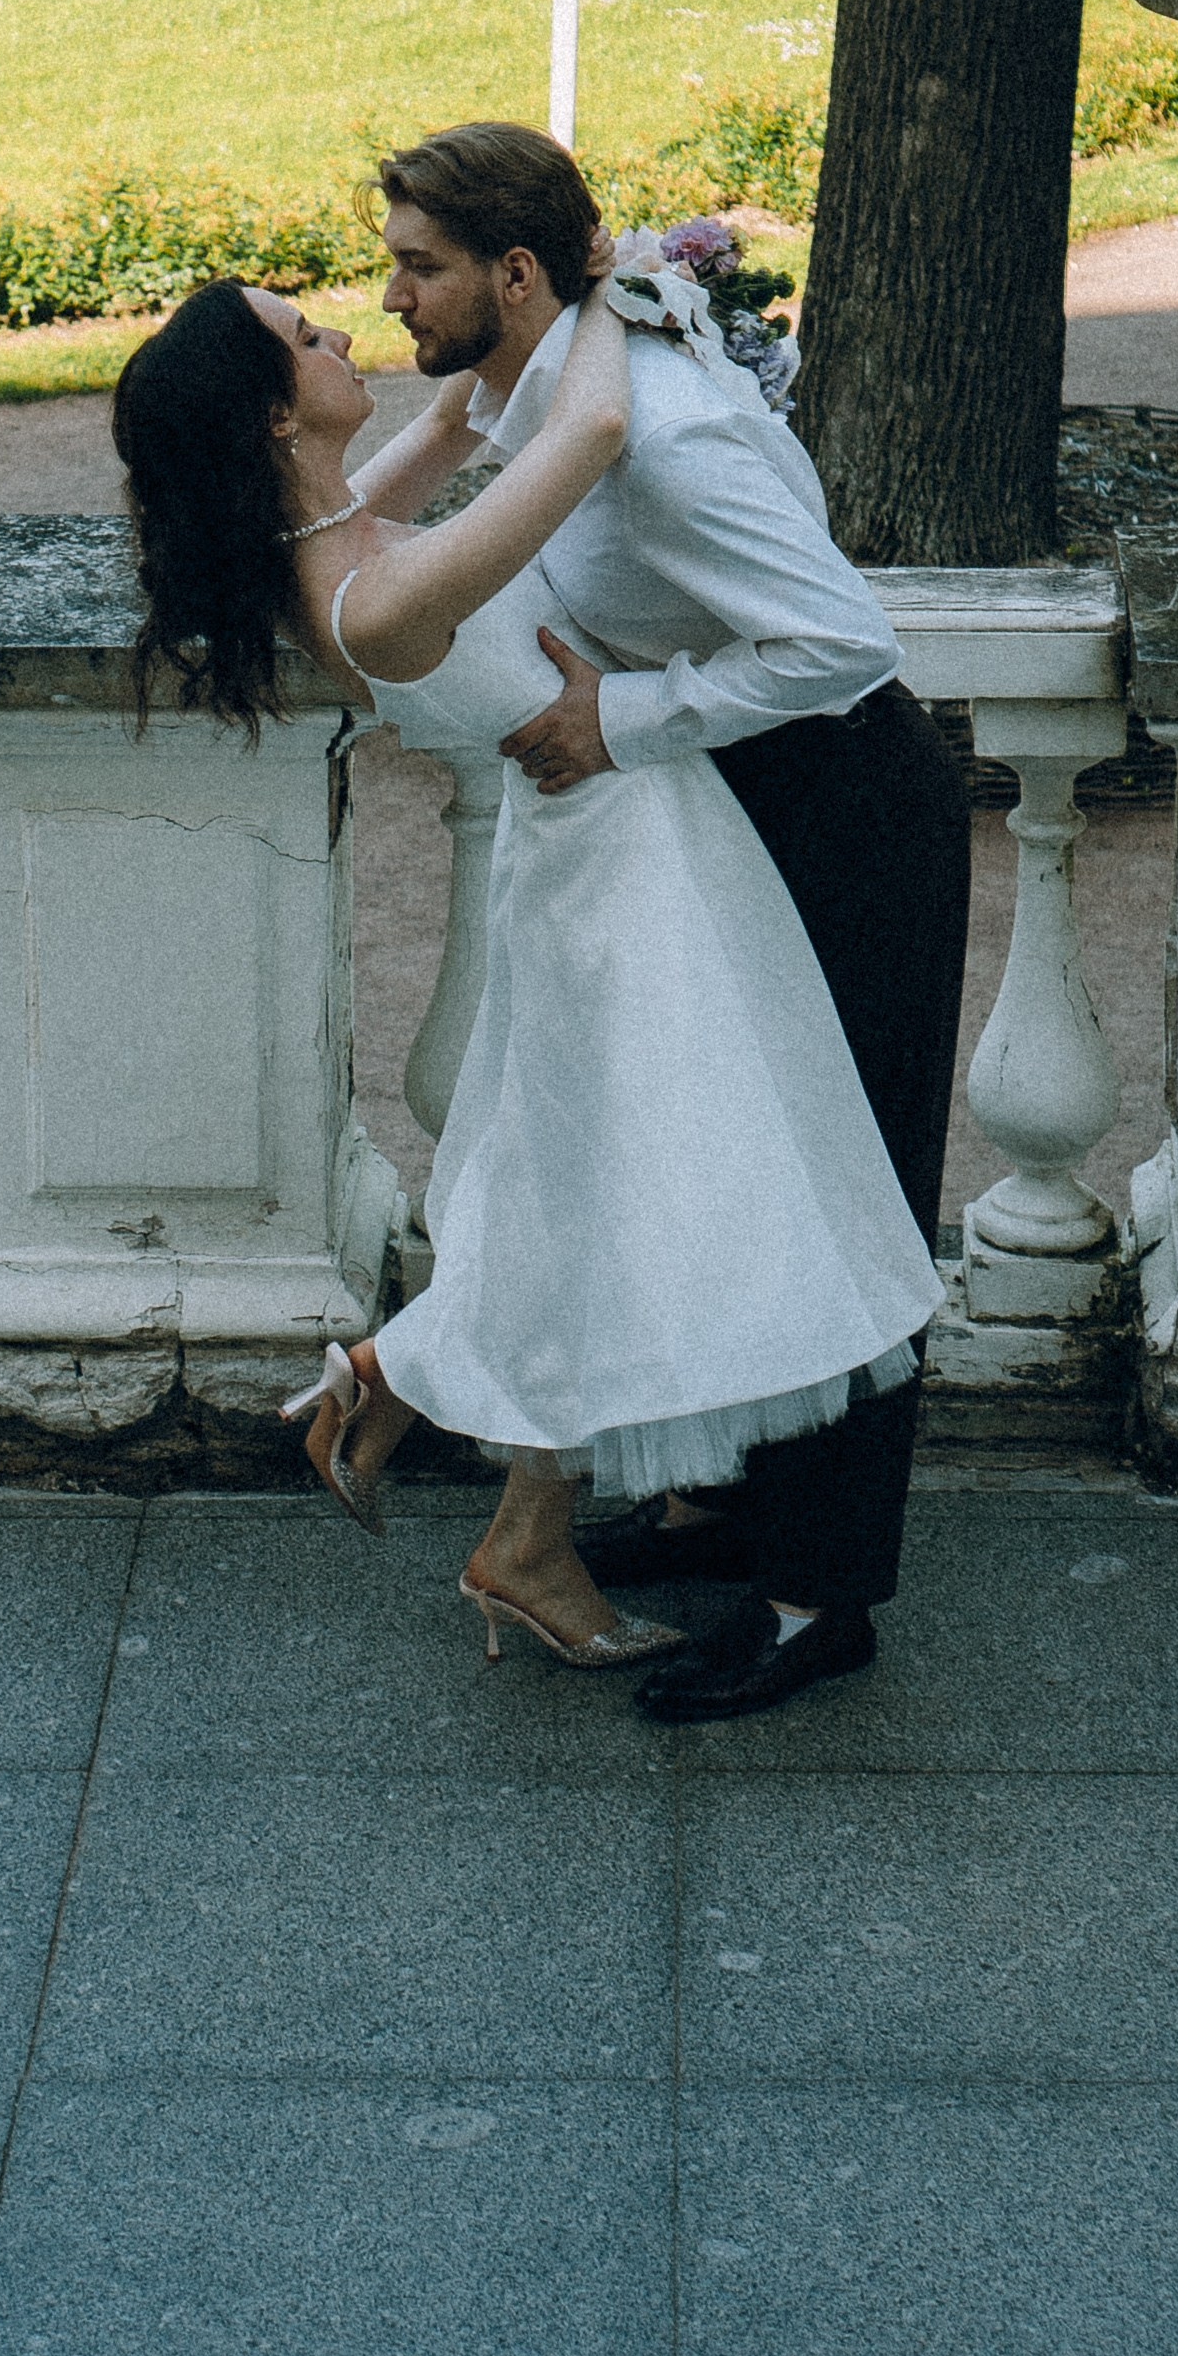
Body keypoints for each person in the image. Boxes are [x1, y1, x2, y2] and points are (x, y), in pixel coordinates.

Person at [112, 224, 947, 1703]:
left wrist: (570, 295)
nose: (350, 331)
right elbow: (595, 424)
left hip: (621, 862)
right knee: (683, 1201)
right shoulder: (377, 594)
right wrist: (612, 289)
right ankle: (461, 1432)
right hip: (627, 883)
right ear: (268, 414)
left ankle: (437, 1418)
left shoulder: (344, 524)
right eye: (307, 338)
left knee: (597, 1198)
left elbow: (458, 414)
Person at [363, 118, 968, 1718]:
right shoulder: (548, 388)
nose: (393, 299)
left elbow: (840, 638)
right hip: (730, 809)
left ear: (511, 272)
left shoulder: (664, 424)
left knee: (832, 1186)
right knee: (714, 1167)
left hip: (844, 820)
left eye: (420, 269)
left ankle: (814, 1595)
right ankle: (725, 1504)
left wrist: (623, 717)